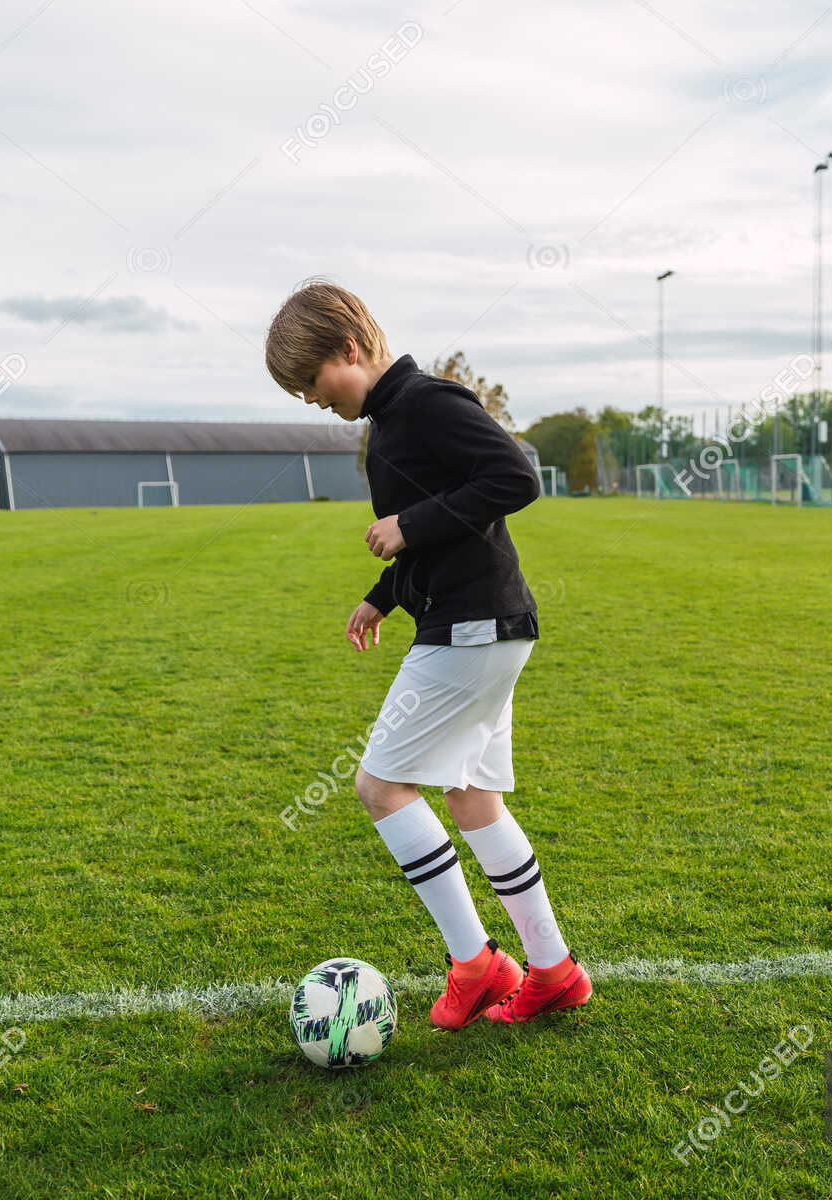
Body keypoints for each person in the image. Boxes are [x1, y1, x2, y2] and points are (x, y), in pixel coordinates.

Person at [263, 278, 591, 1028]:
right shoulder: (391, 423)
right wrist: (385, 592)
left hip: (473, 628)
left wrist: (409, 524)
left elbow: (515, 477)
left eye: (313, 384)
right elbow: (440, 531)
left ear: (349, 348)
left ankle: (475, 965)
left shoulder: (429, 403)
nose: (314, 401)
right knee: (473, 800)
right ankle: (554, 971)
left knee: (380, 787)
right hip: (482, 624)